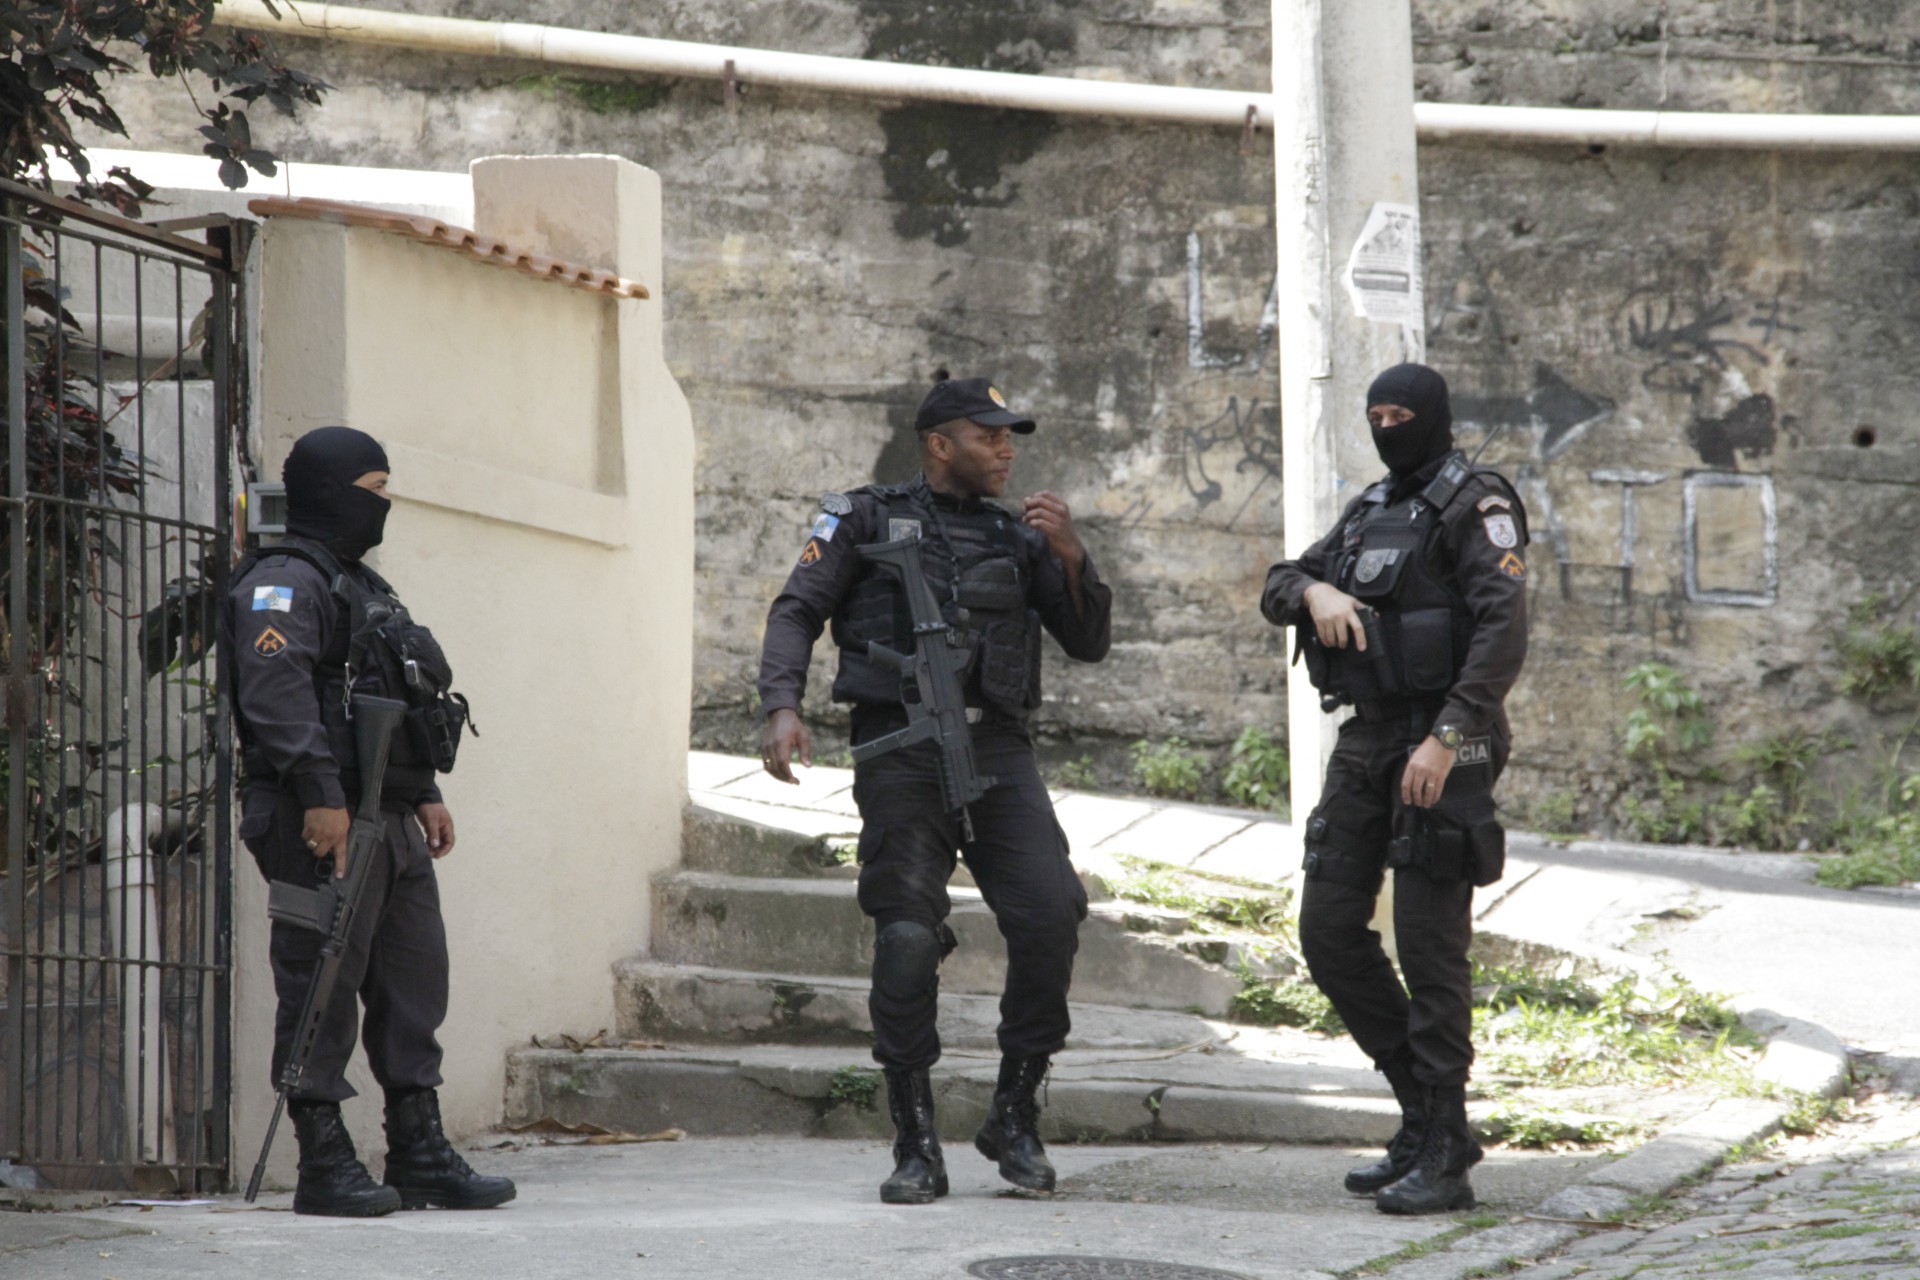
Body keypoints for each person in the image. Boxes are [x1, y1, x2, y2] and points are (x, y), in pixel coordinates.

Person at [757, 377, 1113, 1204]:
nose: (1007, 450)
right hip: (900, 746)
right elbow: (796, 609)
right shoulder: (862, 516)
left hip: (997, 746)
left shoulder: (1019, 536)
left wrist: (1070, 554)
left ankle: (1014, 1113)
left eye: (1010, 437)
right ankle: (915, 1141)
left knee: (1051, 912)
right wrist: (783, 706)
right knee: (908, 938)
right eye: (989, 436)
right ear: (940, 443)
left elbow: (1089, 640)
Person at [1260, 363, 1529, 1215]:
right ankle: (1421, 1113)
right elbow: (1277, 582)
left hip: (1446, 747)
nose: (1387, 425)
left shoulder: (1475, 503)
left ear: (1435, 416)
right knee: (1328, 931)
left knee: (1428, 946)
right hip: (1368, 739)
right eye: (1374, 413)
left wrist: (1447, 739)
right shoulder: (1374, 508)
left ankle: (1447, 1151)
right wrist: (1316, 587)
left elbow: (1502, 627)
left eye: (1400, 413)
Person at [225, 427, 514, 1217]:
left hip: (388, 812)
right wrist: (321, 795)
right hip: (318, 814)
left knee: (414, 978)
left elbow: (398, 696)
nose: (383, 505)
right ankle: (323, 1159)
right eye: (375, 487)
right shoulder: (283, 583)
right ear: (333, 489)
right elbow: (277, 698)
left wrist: (423, 793)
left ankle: (418, 1150)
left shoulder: (368, 588)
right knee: (322, 979)